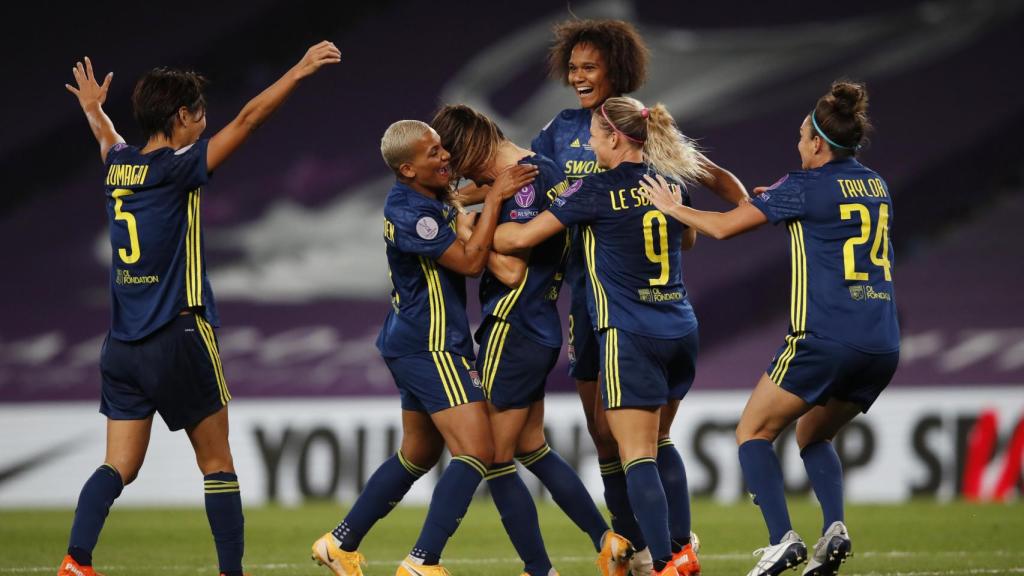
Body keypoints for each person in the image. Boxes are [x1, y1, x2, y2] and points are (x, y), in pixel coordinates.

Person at [60, 42, 341, 576]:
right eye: (200, 114)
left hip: (121, 347)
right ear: (182, 117)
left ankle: (76, 561)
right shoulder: (177, 168)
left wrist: (95, 111)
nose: (205, 123)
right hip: (179, 336)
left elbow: (109, 141)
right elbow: (251, 119)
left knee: (118, 466)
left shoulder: (120, 168)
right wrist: (299, 69)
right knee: (217, 464)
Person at [638, 81, 899, 576]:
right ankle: (834, 528)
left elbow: (720, 228)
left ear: (819, 144)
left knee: (753, 431)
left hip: (825, 338)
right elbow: (830, 220)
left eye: (803, 137)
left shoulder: (802, 186)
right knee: (812, 435)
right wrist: (776, 202)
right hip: (882, 344)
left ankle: (783, 540)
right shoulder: (876, 185)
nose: (799, 144)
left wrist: (672, 207)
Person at [531, 19, 750, 576]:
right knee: (604, 435)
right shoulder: (557, 129)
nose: (579, 77)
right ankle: (631, 543)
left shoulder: (639, 126)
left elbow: (713, 177)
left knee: (641, 437)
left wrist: (736, 203)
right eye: (573, 67)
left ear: (616, 69)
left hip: (634, 303)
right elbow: (526, 179)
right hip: (587, 297)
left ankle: (665, 549)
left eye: (590, 67)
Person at [492, 95, 710, 576]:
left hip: (631, 333)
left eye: (593, 135)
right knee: (662, 440)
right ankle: (682, 549)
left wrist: (482, 223)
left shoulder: (593, 190)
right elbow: (688, 238)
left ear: (614, 137)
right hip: (680, 327)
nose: (588, 144)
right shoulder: (668, 181)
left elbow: (521, 238)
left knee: (635, 456)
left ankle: (663, 564)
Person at [311, 120, 538, 576]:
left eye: (441, 147)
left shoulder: (426, 197)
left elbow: (457, 200)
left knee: (417, 454)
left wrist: (488, 191)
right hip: (432, 346)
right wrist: (494, 197)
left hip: (412, 341)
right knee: (479, 450)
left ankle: (339, 544)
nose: (446, 157)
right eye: (433, 153)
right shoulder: (413, 213)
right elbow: (472, 263)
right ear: (408, 169)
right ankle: (422, 561)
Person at [431, 104, 632, 576]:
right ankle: (608, 539)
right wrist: (480, 203)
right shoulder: (546, 169)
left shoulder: (522, 181)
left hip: (513, 325)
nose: (457, 173)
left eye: (454, 161)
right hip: (540, 326)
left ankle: (539, 569)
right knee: (529, 446)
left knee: (494, 457)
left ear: (470, 147)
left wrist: (466, 226)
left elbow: (511, 263)